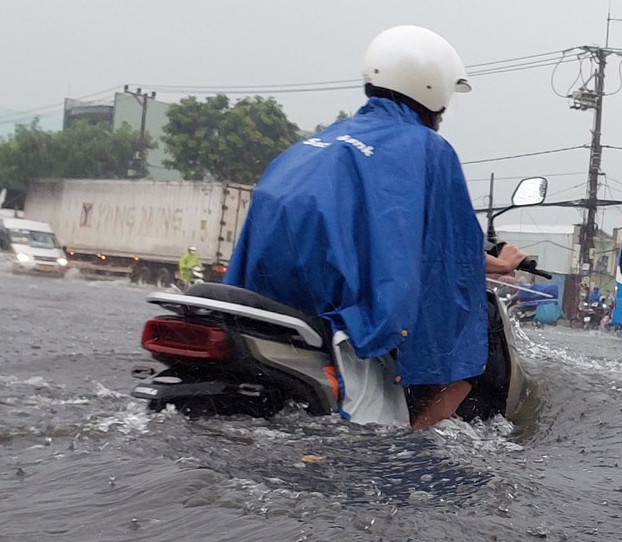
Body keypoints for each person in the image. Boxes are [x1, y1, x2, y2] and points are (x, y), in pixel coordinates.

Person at [224, 25, 524, 430]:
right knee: (471, 343)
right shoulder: (428, 150)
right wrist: (501, 265)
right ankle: (417, 434)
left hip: (266, 314)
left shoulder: (310, 147)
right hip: (344, 320)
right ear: (433, 89)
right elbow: (449, 253)